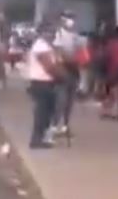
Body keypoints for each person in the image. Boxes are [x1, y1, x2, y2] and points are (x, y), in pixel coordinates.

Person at [27, 21, 62, 149]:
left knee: (47, 112)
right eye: (48, 32)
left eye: (53, 32)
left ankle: (41, 138)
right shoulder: (40, 46)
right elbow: (50, 67)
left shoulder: (47, 46)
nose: (51, 34)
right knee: (42, 113)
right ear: (41, 33)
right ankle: (36, 140)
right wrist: (62, 77)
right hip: (42, 83)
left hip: (46, 82)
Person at [51, 11, 83, 137]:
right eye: (68, 18)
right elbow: (59, 53)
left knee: (70, 101)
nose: (71, 21)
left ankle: (65, 126)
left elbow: (80, 52)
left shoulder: (75, 35)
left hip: (74, 70)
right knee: (60, 101)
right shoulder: (58, 34)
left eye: (72, 18)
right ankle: (54, 127)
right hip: (63, 71)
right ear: (62, 20)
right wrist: (73, 58)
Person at [101, 26, 118, 120]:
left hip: (108, 71)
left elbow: (105, 57)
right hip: (117, 71)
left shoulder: (108, 44)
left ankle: (104, 111)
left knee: (108, 92)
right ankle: (115, 113)